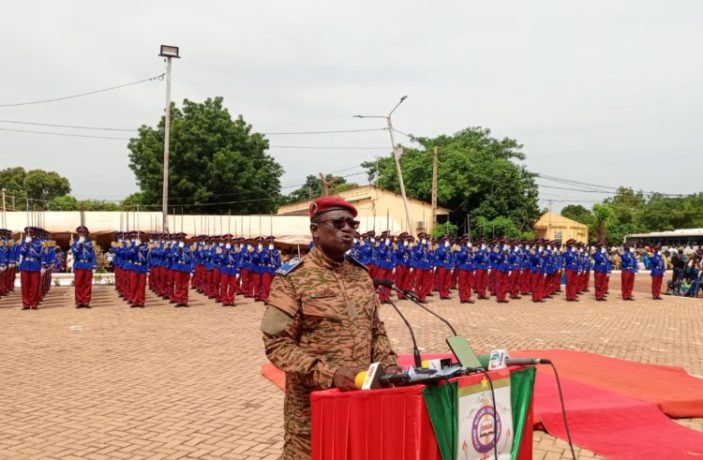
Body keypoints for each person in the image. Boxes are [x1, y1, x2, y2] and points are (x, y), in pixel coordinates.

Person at [260, 196, 399, 460]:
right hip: (312, 407)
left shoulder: (361, 275)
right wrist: (330, 374)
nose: (347, 229)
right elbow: (277, 345)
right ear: (315, 229)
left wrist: (389, 366)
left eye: (352, 223)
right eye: (337, 223)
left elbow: (376, 332)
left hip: (361, 400)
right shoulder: (292, 279)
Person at [71, 226, 97, 308]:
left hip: (88, 265)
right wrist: (79, 244)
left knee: (87, 284)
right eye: (80, 232)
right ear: (78, 233)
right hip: (79, 264)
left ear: (87, 233)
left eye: (84, 232)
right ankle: (79, 302)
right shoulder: (75, 242)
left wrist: (94, 266)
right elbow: (74, 253)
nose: (82, 233)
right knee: (78, 284)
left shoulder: (90, 243)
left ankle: (86, 302)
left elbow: (93, 255)